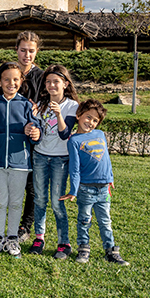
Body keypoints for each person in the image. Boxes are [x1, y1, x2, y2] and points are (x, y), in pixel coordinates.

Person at [0, 31, 44, 238]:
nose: (27, 54)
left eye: (31, 51)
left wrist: (37, 112)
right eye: (23, 50)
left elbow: (51, 95)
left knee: (30, 185)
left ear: (36, 52)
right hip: (5, 134)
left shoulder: (40, 76)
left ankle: (24, 225)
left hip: (31, 134)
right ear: (16, 50)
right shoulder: (6, 72)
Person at [59, 100, 129, 265]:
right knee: (84, 220)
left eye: (95, 120)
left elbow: (106, 159)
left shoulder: (100, 134)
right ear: (78, 115)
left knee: (105, 221)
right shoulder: (74, 141)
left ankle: (111, 250)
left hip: (104, 189)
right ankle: (83, 249)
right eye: (88, 117)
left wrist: (110, 179)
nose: (90, 122)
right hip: (85, 190)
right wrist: (74, 190)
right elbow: (74, 169)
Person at [0, 62, 41, 259]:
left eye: (15, 79)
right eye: (6, 79)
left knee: (16, 202)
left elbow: (37, 129)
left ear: (21, 81)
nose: (11, 83)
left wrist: (33, 131)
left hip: (20, 163)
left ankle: (12, 238)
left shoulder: (27, 105)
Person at [29, 64, 79, 257]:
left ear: (65, 84)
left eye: (56, 82)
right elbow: (38, 131)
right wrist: (33, 128)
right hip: (40, 156)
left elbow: (64, 133)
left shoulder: (72, 106)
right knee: (39, 199)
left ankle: (63, 242)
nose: (51, 85)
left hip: (60, 159)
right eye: (48, 82)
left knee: (57, 202)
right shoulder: (40, 104)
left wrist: (58, 114)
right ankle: (39, 237)